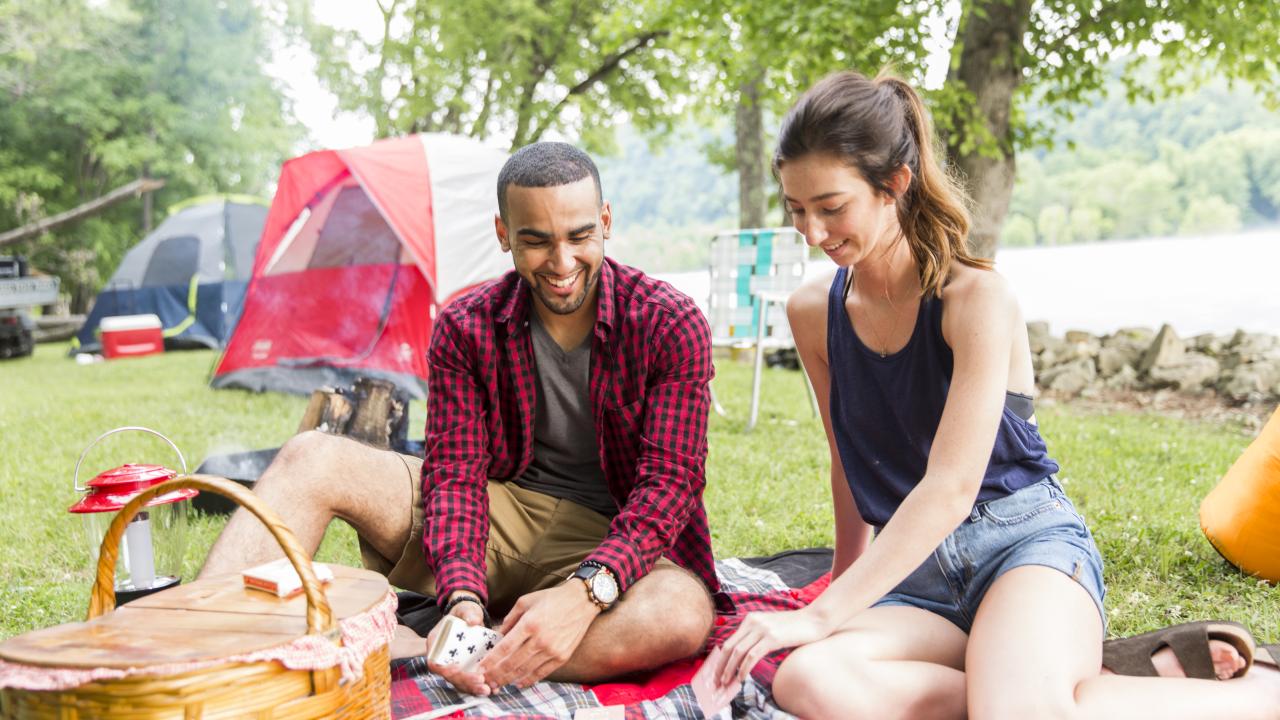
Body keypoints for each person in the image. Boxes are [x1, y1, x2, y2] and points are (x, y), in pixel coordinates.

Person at [711, 70, 1280, 718]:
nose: (811, 231)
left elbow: (952, 488)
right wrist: (841, 585)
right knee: (808, 681)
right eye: (796, 208)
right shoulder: (813, 310)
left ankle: (1259, 690)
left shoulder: (976, 299)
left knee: (1011, 708)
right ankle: (1068, 684)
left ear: (894, 183)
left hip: (1024, 551)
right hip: (919, 579)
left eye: (831, 206)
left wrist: (822, 615)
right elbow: (848, 456)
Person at [200, 142, 718, 695]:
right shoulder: (466, 326)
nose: (562, 263)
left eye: (579, 236)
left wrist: (584, 594)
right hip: (501, 514)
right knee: (311, 459)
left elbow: (669, 486)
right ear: (503, 234)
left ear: (606, 222)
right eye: (536, 241)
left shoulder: (670, 322)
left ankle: (451, 651)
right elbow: (455, 475)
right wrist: (464, 597)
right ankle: (189, 650)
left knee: (681, 613)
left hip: (606, 541)